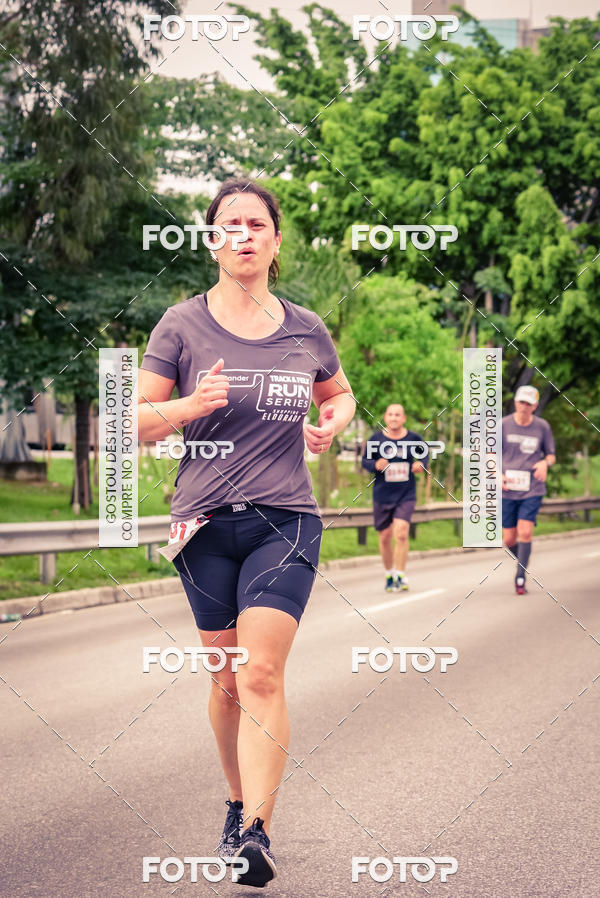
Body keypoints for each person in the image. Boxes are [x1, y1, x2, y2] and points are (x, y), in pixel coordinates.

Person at [137, 179, 355, 888]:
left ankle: (257, 830)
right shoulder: (179, 325)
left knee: (260, 672)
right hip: (201, 525)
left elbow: (339, 391)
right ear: (212, 240)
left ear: (276, 242)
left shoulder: (305, 327)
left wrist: (334, 423)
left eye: (257, 223)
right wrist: (189, 406)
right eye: (230, 223)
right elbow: (131, 422)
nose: (244, 233)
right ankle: (234, 802)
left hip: (284, 519)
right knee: (226, 679)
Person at [361, 404, 427, 592]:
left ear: (404, 418)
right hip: (382, 494)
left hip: (406, 494)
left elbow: (425, 456)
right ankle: (389, 573)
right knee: (385, 537)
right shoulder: (376, 439)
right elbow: (365, 461)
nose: (394, 418)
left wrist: (420, 464)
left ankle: (401, 574)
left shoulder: (414, 439)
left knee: (401, 532)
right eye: (390, 414)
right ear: (385, 417)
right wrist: (376, 464)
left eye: (398, 414)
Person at [501, 385, 555, 595]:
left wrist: (544, 464)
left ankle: (520, 575)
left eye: (528, 403)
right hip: (508, 489)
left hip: (532, 487)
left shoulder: (542, 427)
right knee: (509, 539)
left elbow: (551, 454)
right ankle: (523, 558)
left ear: (535, 406)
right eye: (521, 402)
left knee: (525, 531)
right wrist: (497, 475)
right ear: (515, 402)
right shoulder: (502, 425)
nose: (524, 406)